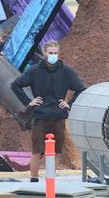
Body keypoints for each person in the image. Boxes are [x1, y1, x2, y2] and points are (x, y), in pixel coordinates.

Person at [10, 40, 86, 182]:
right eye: (50, 53)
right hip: (40, 117)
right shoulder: (34, 71)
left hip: (58, 117)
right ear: (44, 53)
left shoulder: (66, 72)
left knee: (55, 152)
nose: (53, 55)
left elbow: (81, 89)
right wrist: (28, 102)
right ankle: (34, 179)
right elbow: (15, 85)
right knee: (37, 152)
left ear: (59, 53)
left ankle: (51, 179)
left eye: (55, 53)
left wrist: (69, 104)